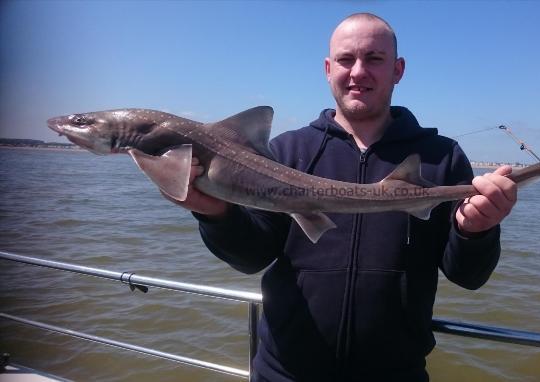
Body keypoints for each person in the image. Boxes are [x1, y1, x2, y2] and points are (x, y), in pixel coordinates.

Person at [170, 13, 517, 382]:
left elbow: (468, 276)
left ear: (398, 70)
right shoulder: (284, 152)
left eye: (374, 59)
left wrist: (477, 231)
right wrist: (215, 215)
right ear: (327, 67)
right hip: (284, 372)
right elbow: (252, 256)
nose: (358, 72)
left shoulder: (441, 157)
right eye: (346, 59)